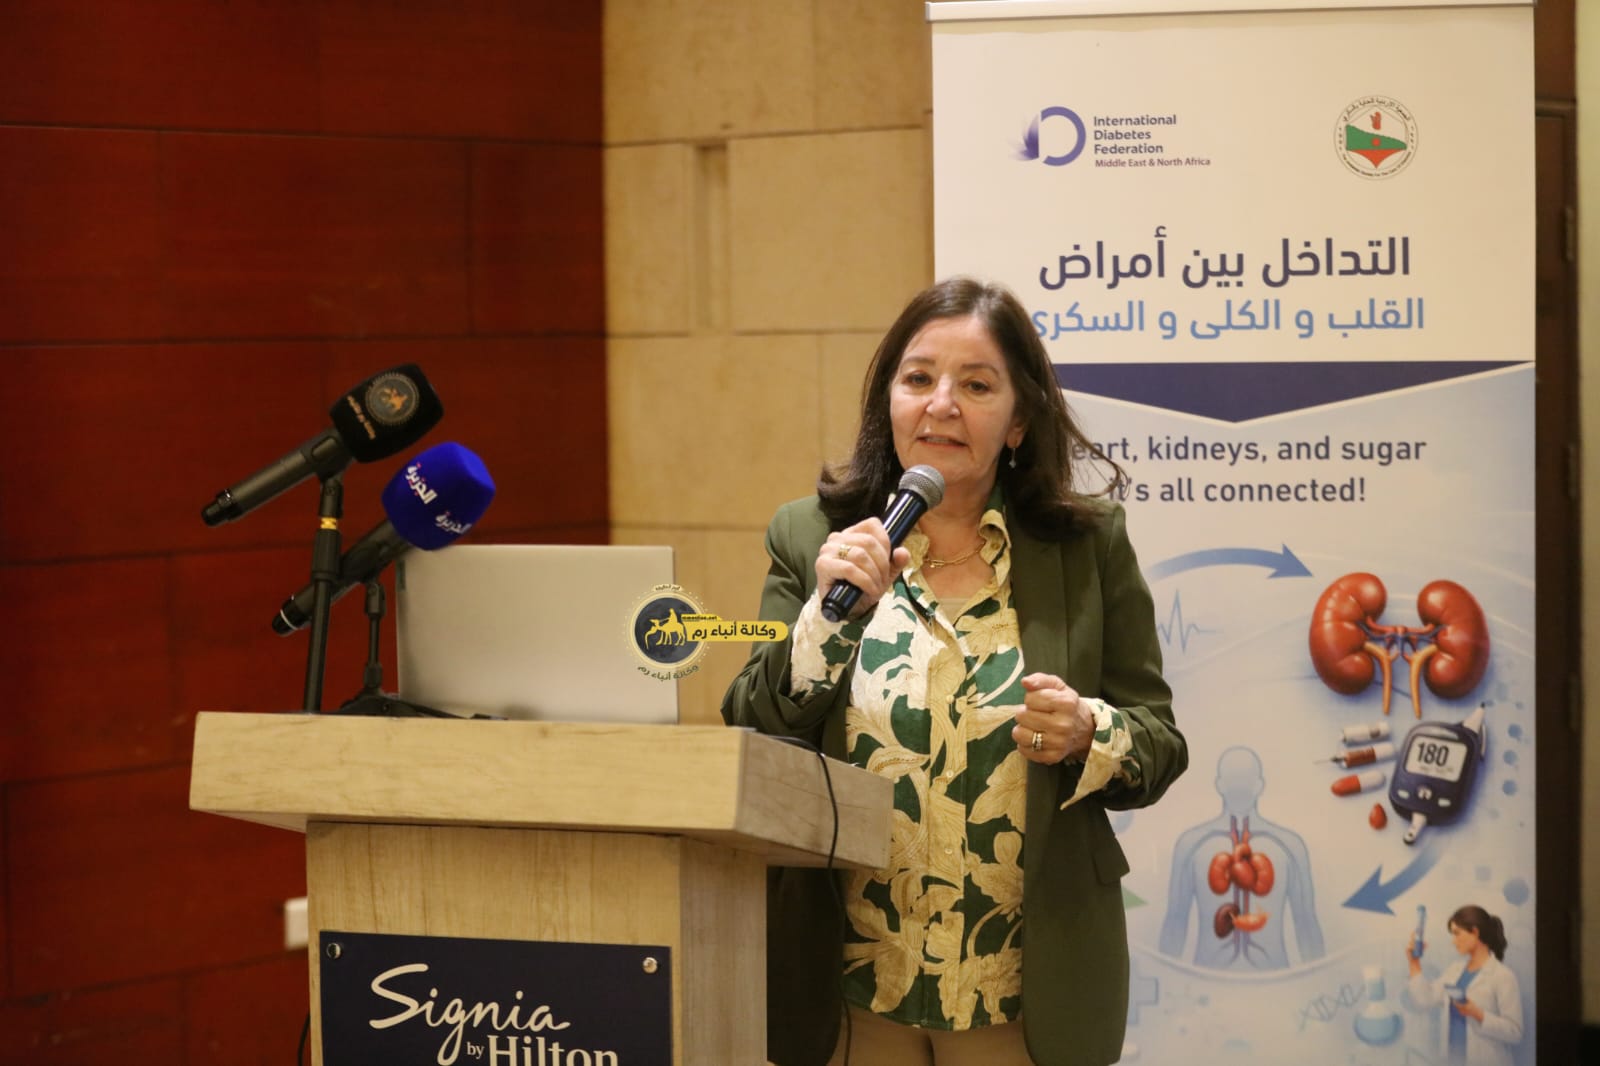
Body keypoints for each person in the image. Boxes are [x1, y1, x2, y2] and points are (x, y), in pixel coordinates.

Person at [721, 276, 1187, 1066]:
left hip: (1021, 990)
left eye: (975, 385)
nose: (941, 404)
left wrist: (1089, 732)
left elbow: (1159, 741)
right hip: (851, 984)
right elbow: (749, 725)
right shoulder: (813, 537)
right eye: (918, 379)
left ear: (1018, 421)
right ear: (889, 404)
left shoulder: (1087, 546)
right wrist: (825, 619)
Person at [1406, 904, 1524, 1065]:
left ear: (1475, 932)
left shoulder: (1503, 976)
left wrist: (1478, 1014)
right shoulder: (1454, 970)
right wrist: (1414, 963)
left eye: (1457, 934)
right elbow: (1425, 1000)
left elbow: (1515, 1033)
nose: (1453, 941)